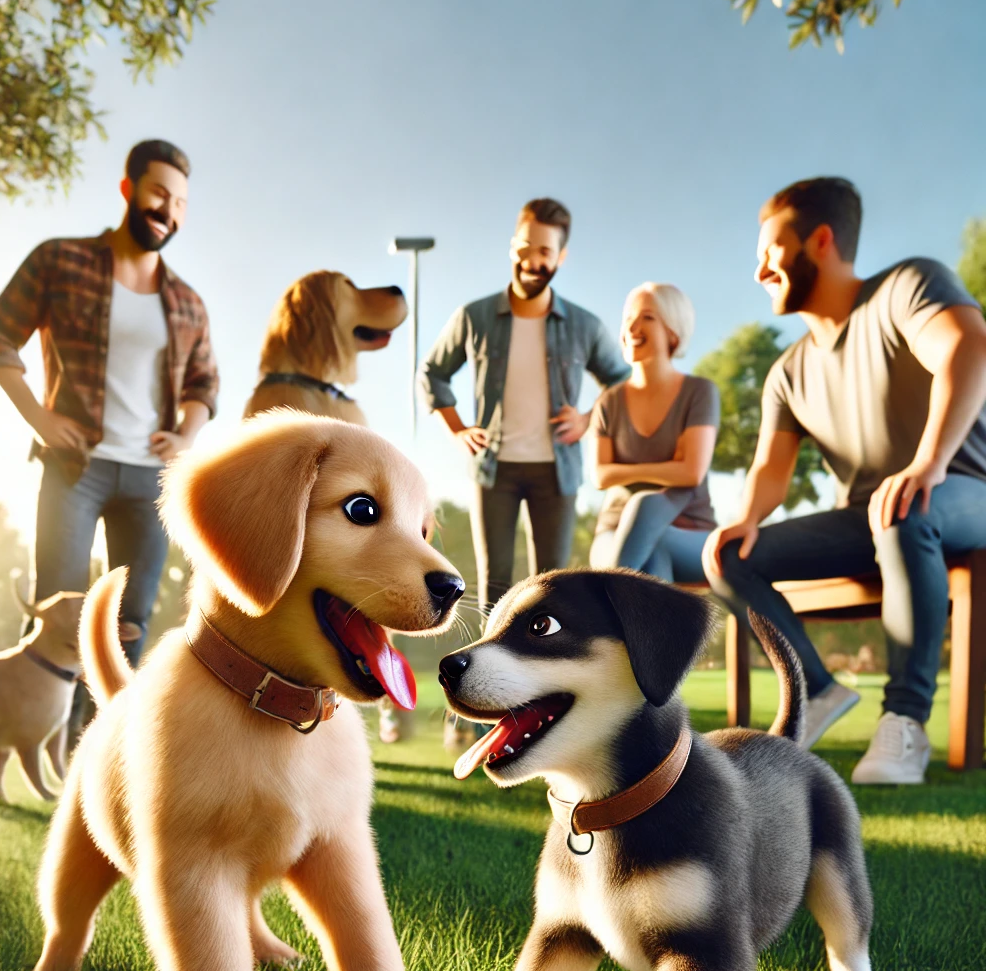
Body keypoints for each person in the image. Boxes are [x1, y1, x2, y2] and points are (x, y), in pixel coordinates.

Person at [703, 176, 986, 783]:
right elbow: (769, 474)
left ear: (821, 241)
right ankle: (817, 689)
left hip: (961, 492)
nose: (759, 272)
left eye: (770, 252)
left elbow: (968, 346)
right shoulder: (788, 370)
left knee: (907, 507)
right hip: (872, 518)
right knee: (729, 555)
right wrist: (744, 520)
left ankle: (905, 722)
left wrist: (927, 462)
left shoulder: (908, 285)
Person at [0, 139, 218, 688]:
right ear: (128, 189)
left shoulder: (186, 301)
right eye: (159, 193)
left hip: (149, 481)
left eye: (180, 202)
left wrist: (186, 435)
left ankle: (107, 757)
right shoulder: (59, 259)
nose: (168, 211)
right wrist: (38, 417)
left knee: (128, 626)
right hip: (72, 470)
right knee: (55, 616)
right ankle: (48, 750)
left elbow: (205, 382)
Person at [418, 197, 628, 615]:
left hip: (557, 471)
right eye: (525, 248)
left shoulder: (584, 326)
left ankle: (545, 678)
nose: (532, 261)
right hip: (494, 469)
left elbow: (621, 379)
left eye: (545, 252)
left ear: (561, 257)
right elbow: (433, 372)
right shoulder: (474, 317)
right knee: (494, 582)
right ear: (513, 245)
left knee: (552, 586)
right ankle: (488, 677)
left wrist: (587, 419)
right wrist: (457, 428)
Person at [588, 282, 719, 579]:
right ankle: (651, 624)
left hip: (691, 533)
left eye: (647, 317)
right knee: (648, 550)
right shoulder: (609, 401)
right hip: (614, 530)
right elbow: (599, 475)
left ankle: (604, 614)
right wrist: (667, 469)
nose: (632, 326)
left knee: (646, 515)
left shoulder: (699, 392)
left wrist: (627, 472)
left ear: (673, 331)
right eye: (628, 317)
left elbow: (691, 473)